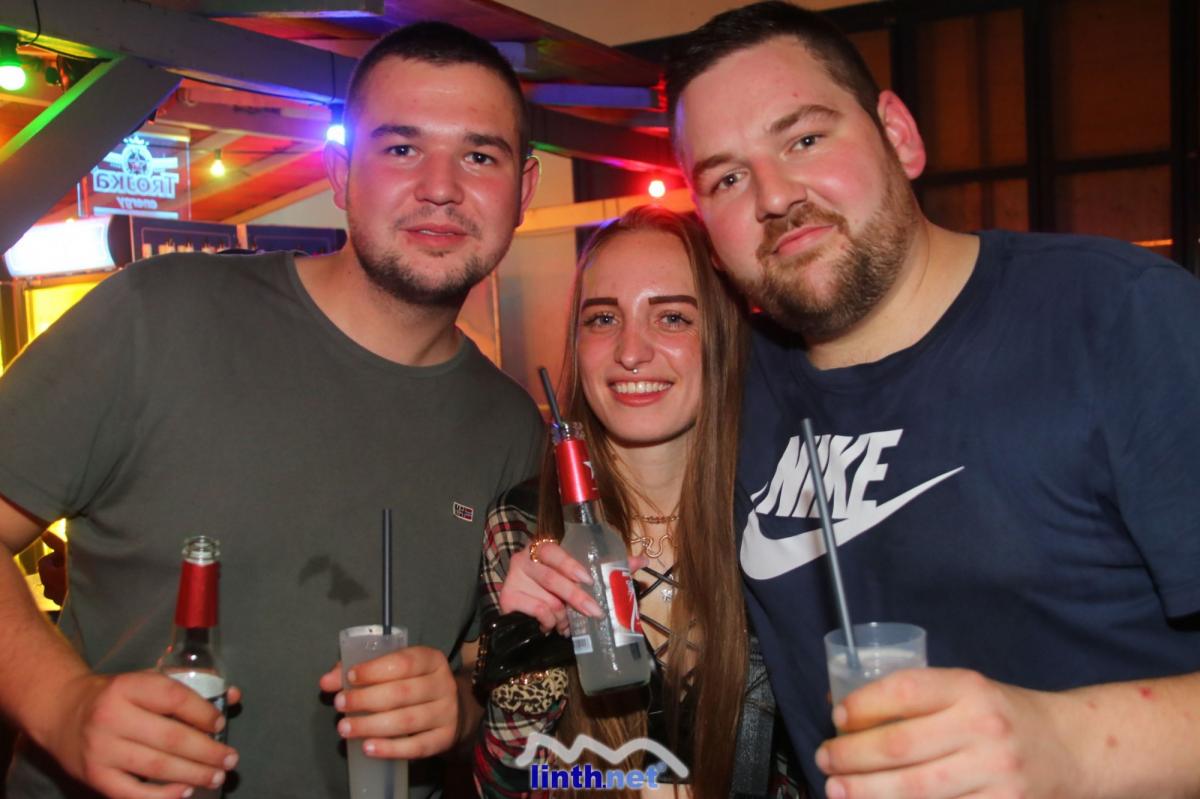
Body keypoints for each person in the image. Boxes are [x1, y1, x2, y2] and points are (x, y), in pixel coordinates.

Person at [664, 2, 1200, 798]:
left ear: (899, 135)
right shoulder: (734, 386)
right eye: (728, 178)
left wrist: (1071, 744)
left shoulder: (1118, 316)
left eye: (804, 139)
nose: (773, 196)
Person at [0, 21, 543, 799]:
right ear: (340, 172)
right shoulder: (160, 316)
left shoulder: (513, 429)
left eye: (480, 155)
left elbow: (495, 663)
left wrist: (459, 706)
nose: (441, 187)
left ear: (523, 190)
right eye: (400, 148)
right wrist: (63, 705)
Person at [472, 206, 788, 799]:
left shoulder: (779, 517)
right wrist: (528, 655)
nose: (631, 351)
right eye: (603, 318)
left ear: (722, 336)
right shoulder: (525, 526)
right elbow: (506, 785)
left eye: (672, 317)